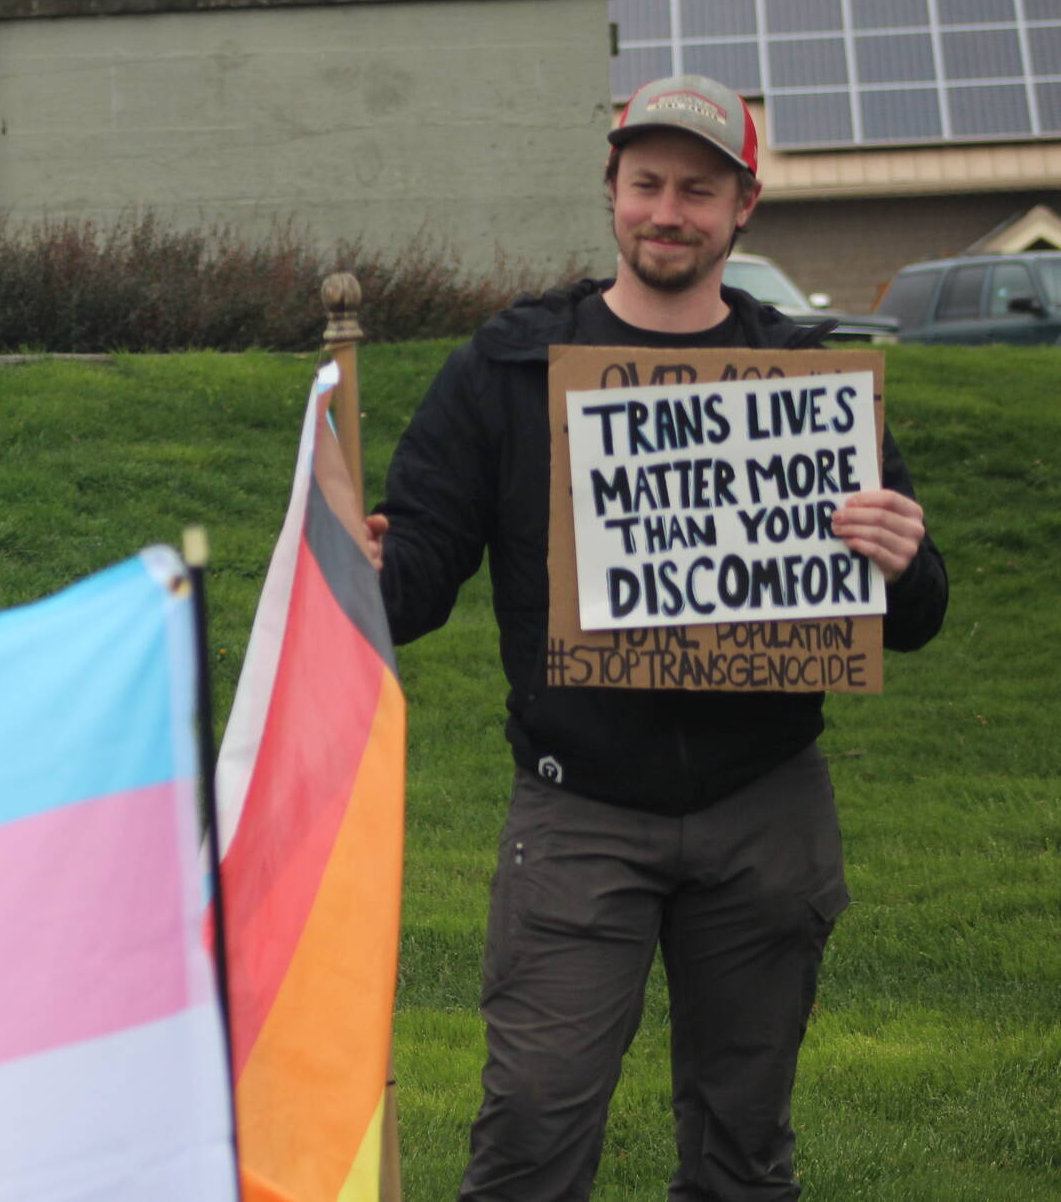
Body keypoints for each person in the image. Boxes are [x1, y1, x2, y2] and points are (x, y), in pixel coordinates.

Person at [365, 74, 948, 1200]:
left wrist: (898, 553)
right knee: (529, 1130)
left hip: (764, 808)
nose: (666, 212)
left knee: (743, 1146)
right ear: (610, 192)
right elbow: (415, 582)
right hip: (576, 809)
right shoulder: (506, 366)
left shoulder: (801, 381)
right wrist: (360, 562)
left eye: (696, 189)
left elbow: (913, 615)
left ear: (743, 209)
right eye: (645, 185)